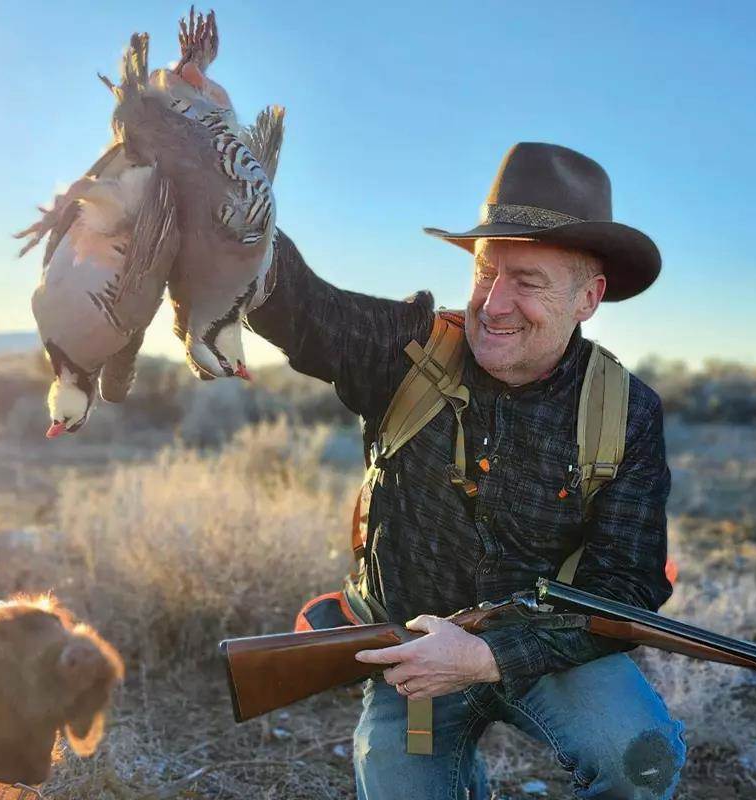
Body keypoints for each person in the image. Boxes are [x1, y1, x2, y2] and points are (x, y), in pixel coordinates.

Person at [247, 143, 686, 800]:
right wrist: (225, 175)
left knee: (639, 758)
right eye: (486, 273)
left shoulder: (628, 412)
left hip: (546, 650)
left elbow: (625, 584)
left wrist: (488, 655)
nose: (495, 303)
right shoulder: (406, 351)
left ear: (588, 297)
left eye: (528, 281)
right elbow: (294, 305)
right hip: (413, 662)